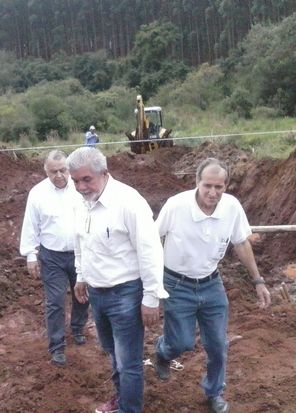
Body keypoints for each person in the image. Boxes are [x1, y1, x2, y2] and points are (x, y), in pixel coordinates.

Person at [153, 158, 271, 413]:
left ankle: (213, 391)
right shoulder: (176, 205)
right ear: (197, 182)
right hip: (176, 283)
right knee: (181, 343)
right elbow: (153, 238)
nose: (213, 192)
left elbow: (241, 242)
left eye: (219, 186)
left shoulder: (231, 207)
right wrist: (149, 280)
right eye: (207, 185)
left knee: (218, 345)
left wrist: (258, 280)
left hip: (211, 283)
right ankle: (163, 352)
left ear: (226, 185)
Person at [67, 146, 167, 413]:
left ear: (104, 173)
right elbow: (81, 242)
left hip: (126, 294)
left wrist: (151, 297)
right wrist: (81, 276)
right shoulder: (81, 202)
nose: (80, 186)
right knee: (113, 353)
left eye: (86, 179)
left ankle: (129, 409)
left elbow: (150, 250)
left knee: (129, 362)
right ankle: (121, 399)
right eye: (75, 180)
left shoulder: (128, 202)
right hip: (97, 294)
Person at [19, 149, 89, 366]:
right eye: (53, 172)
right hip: (52, 256)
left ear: (69, 169)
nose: (59, 175)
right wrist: (31, 254)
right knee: (55, 301)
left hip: (80, 252)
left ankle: (77, 328)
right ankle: (57, 346)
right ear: (45, 171)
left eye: (62, 170)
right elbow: (31, 225)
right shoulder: (38, 194)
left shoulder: (80, 188)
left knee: (83, 295)